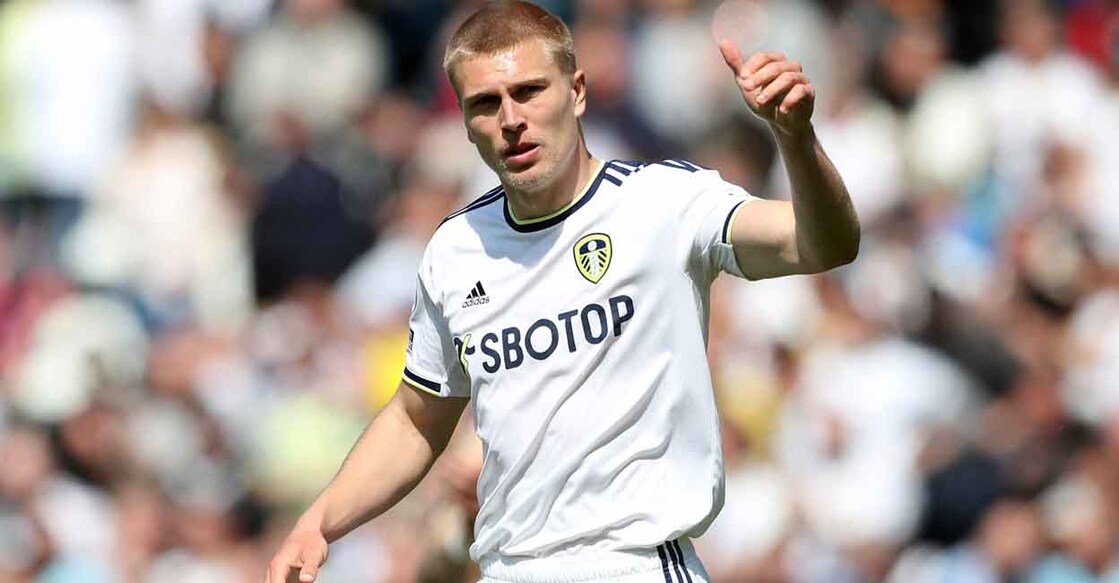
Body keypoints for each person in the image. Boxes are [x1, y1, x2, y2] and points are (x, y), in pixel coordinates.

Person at [265, 2, 859, 582]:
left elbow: (823, 245)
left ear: (576, 91)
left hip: (636, 564)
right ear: (466, 124)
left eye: (528, 91)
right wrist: (318, 523)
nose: (510, 119)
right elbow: (418, 419)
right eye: (485, 104)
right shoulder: (455, 249)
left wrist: (796, 140)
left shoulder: (661, 202)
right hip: (507, 568)